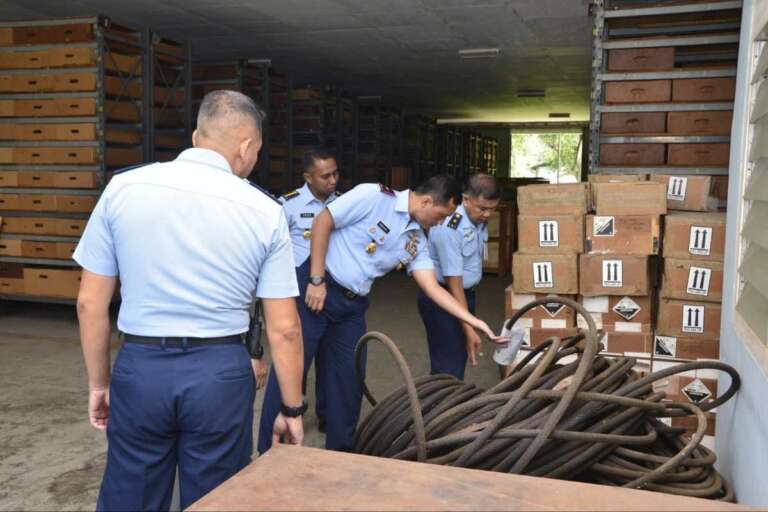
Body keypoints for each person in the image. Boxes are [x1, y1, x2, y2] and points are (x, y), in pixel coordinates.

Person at [74, 90, 305, 511]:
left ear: (197, 137)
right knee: (217, 497)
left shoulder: (123, 189)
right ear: (247, 146)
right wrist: (291, 406)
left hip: (141, 368)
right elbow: (285, 327)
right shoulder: (265, 211)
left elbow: (90, 303)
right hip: (219, 374)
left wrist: (99, 384)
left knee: (131, 493)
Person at [257, 175, 503, 453]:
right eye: (441, 215)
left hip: (351, 307)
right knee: (290, 371)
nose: (441, 223)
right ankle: (268, 452)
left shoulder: (416, 240)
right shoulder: (373, 196)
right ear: (426, 201)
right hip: (318, 290)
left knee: (349, 382)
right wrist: (316, 279)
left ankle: (340, 455)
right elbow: (323, 221)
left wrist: (472, 321)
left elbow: (433, 287)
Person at [278, 148, 341, 432]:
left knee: (330, 355)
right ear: (308, 177)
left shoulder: (344, 204)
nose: (332, 180)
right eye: (325, 176)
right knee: (299, 354)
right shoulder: (288, 205)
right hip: (299, 287)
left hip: (334, 286)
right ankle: (294, 410)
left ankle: (328, 414)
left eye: (335, 173)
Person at [418, 174, 501, 379]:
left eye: (492, 208)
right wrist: (468, 327)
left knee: (457, 359)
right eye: (482, 208)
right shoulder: (450, 228)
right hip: (444, 299)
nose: (487, 214)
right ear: (465, 199)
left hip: (464, 295)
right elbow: (454, 283)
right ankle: (439, 408)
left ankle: (449, 405)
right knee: (447, 366)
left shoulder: (477, 221)